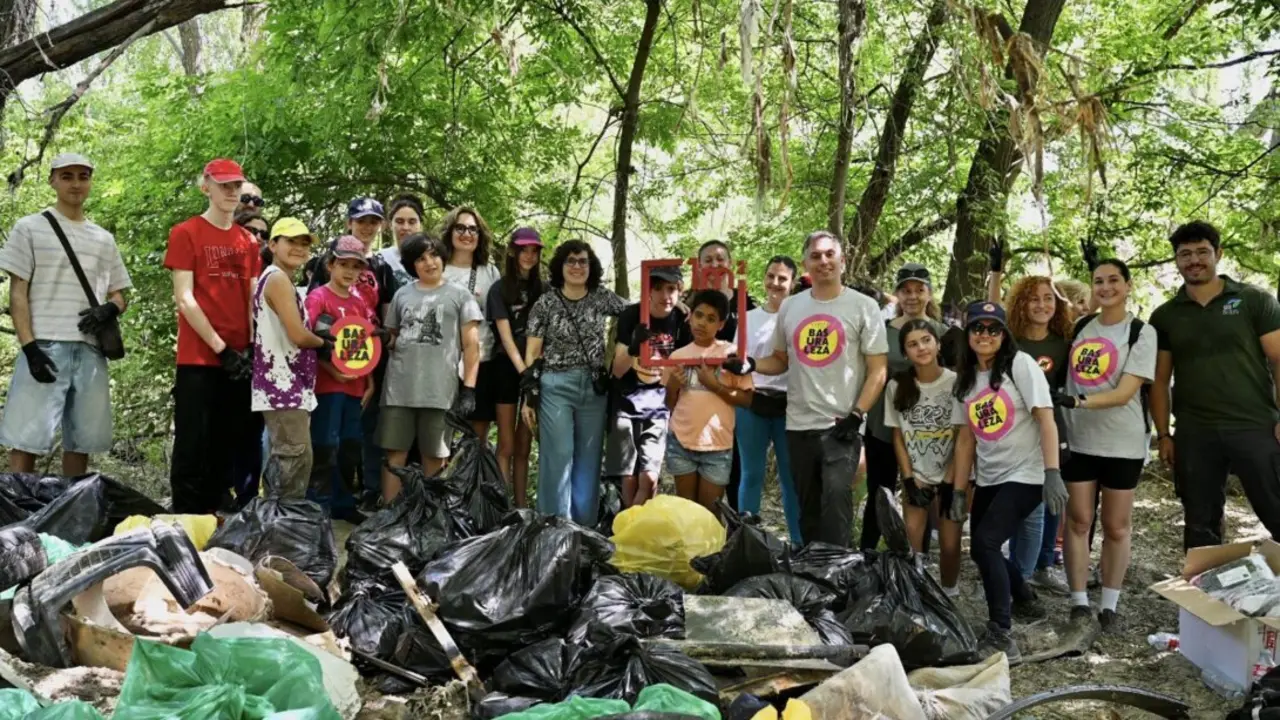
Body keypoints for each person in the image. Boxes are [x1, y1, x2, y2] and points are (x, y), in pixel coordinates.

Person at [724, 230, 888, 548]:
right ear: (805, 265)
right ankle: (812, 578)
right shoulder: (791, 307)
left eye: (830, 254)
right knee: (807, 509)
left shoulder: (864, 307)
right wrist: (751, 366)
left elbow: (878, 369)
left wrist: (858, 415)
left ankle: (838, 580)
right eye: (816, 256)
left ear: (842, 260)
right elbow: (780, 360)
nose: (823, 261)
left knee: (837, 504)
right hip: (798, 425)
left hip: (842, 425)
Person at [1150, 221, 1280, 550]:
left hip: (1255, 425)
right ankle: (1200, 598)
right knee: (1199, 523)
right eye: (1185, 254)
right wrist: (1164, 433)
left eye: (1202, 252)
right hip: (1196, 431)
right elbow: (1160, 379)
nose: (1194, 260)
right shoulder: (1166, 315)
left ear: (1218, 254)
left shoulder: (1254, 300)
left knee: (1276, 510)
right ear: (1176, 261)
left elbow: (1279, 360)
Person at [0, 153, 131, 476]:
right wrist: (29, 347)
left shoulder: (103, 238)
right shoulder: (29, 228)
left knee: (82, 441)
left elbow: (120, 294)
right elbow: (18, 291)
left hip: (90, 348)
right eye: (67, 175)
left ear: (90, 182)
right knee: (26, 438)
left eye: (83, 176)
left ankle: (72, 510)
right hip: (44, 343)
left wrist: (109, 308)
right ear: (53, 180)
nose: (75, 183)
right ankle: (18, 511)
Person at [950, 301, 1067, 661]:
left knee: (986, 543)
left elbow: (1045, 419)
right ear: (968, 333)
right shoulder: (966, 379)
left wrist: (1052, 472)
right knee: (983, 548)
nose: (985, 335)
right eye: (978, 328)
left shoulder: (1020, 365)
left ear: (1004, 334)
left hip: (1027, 473)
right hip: (990, 476)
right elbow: (967, 437)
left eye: (993, 329)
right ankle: (1025, 598)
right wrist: (958, 489)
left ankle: (1001, 633)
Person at [1055, 259, 1156, 633]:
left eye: (1114, 280)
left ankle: (1110, 603)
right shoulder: (1081, 327)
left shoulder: (1141, 332)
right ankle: (1079, 601)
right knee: (1078, 521)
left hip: (1123, 443)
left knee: (1116, 526)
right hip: (1080, 440)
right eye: (1099, 281)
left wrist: (1076, 401)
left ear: (1128, 286)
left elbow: (1125, 392)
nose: (1106, 287)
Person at [164, 158, 262, 514]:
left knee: (228, 441)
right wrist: (221, 348)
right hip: (199, 357)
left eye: (236, 185)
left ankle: (218, 517)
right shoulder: (186, 232)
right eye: (224, 185)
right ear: (206, 186)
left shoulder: (248, 241)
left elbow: (254, 298)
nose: (231, 192)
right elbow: (184, 298)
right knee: (193, 443)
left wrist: (252, 348)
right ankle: (186, 519)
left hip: (239, 357)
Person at [988, 242, 1074, 595]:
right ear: (1021, 303)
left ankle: (1042, 564)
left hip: (1051, 429)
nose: (1041, 304)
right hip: (1011, 431)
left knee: (1050, 500)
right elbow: (990, 311)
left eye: (1048, 298)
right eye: (1034, 298)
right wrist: (996, 273)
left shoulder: (1064, 341)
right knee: (1018, 500)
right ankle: (1015, 565)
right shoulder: (1011, 339)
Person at [523, 240, 624, 525]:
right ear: (560, 266)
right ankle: (554, 528)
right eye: (571, 261)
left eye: (583, 261)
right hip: (556, 385)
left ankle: (584, 530)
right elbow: (531, 352)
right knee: (559, 455)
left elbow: (637, 312)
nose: (577, 267)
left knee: (589, 460)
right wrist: (529, 397)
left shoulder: (601, 297)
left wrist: (676, 303)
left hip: (593, 388)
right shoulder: (546, 302)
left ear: (590, 267)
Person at [380, 233, 481, 501]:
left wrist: (469, 388)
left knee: (435, 457)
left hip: (439, 391)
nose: (429, 263)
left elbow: (472, 347)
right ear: (412, 264)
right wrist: (381, 336)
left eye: (434, 255)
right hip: (398, 389)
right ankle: (389, 516)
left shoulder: (461, 296)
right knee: (394, 454)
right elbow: (393, 337)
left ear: (443, 257)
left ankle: (432, 516)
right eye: (420, 258)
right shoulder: (402, 293)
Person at [861, 262, 946, 551]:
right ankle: (868, 552)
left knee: (920, 493)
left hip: (925, 428)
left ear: (929, 294)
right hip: (883, 425)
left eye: (919, 290)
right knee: (879, 490)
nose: (912, 296)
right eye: (906, 290)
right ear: (897, 294)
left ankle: (916, 557)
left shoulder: (943, 334)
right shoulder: (882, 331)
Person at [679, 240, 757, 513]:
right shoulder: (687, 302)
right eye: (708, 260)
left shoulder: (746, 300)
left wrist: (749, 365)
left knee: (734, 468)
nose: (714, 265)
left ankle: (733, 533)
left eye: (720, 259)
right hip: (694, 397)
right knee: (692, 469)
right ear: (699, 266)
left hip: (732, 395)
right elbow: (676, 346)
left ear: (729, 264)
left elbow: (755, 344)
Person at [252, 218, 329, 497]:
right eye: (291, 241)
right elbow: (298, 334)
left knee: (287, 459)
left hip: (287, 385)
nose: (299, 248)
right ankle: (283, 529)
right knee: (295, 460)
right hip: (280, 384)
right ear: (273, 244)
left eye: (304, 243)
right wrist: (324, 343)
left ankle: (278, 526)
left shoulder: (278, 279)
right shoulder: (276, 279)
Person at [884, 320, 961, 595]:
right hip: (916, 474)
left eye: (926, 340)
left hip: (953, 476)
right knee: (912, 543)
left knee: (951, 545)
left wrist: (951, 481)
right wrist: (908, 478)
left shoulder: (956, 382)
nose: (921, 348)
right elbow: (898, 436)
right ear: (905, 353)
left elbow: (963, 436)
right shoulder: (897, 386)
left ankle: (950, 594)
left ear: (938, 344)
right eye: (913, 344)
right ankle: (915, 595)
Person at [306, 235, 380, 517]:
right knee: (326, 442)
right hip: (327, 385)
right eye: (343, 264)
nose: (349, 271)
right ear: (330, 265)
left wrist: (370, 381)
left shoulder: (360, 303)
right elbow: (311, 340)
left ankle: (343, 503)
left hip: (356, 386)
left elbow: (366, 344)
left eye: (356, 267)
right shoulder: (318, 298)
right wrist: (332, 371)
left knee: (351, 443)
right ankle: (317, 503)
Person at [664, 290, 753, 510]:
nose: (703, 323)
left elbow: (747, 400)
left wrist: (714, 385)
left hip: (717, 445)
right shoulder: (678, 356)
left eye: (711, 319)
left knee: (709, 514)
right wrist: (673, 385)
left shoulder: (730, 354)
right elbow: (669, 404)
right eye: (699, 315)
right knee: (685, 512)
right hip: (681, 442)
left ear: (721, 325)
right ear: (690, 317)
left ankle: (712, 547)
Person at [735, 256, 802, 544]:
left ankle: (799, 544)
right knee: (751, 474)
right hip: (753, 402)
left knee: (790, 478)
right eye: (771, 276)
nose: (775, 283)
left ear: (793, 283)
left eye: (782, 278)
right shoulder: (747, 318)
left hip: (790, 404)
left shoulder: (800, 316)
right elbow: (740, 362)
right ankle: (745, 540)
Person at [608, 264, 686, 508]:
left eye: (671, 289)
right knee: (628, 476)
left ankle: (633, 524)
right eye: (659, 288)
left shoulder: (682, 319)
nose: (666, 296)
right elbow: (617, 371)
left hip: (659, 405)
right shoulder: (632, 316)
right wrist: (633, 347)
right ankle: (629, 530)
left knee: (650, 476)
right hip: (625, 401)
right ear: (648, 292)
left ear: (680, 290)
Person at [487, 227, 544, 507]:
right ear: (513, 251)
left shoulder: (544, 289)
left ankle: (521, 509)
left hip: (536, 369)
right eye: (524, 249)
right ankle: (502, 510)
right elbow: (505, 337)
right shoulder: (499, 289)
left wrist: (532, 373)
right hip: (506, 368)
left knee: (524, 445)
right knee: (506, 444)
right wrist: (523, 371)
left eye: (534, 250)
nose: (529, 255)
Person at [439, 206, 502, 439]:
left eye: (473, 229)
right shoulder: (437, 267)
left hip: (482, 361)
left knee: (477, 436)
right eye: (461, 228)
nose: (467, 234)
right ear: (450, 232)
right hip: (442, 362)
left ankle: (472, 476)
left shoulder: (490, 272)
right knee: (439, 434)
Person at [379, 194, 426, 289]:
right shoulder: (381, 259)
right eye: (400, 221)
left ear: (420, 225)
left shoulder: (433, 259)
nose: (406, 227)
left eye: (412, 222)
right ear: (390, 225)